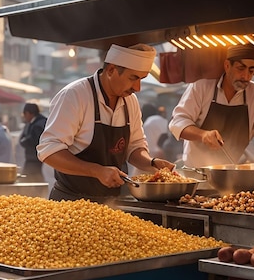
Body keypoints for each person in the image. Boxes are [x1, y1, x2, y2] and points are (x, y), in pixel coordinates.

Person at [38, 43, 176, 201]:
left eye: (142, 79)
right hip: (70, 203)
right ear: (111, 70)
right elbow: (49, 152)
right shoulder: (75, 95)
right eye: (133, 78)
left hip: (112, 204)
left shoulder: (130, 102)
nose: (137, 87)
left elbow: (134, 147)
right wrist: (96, 171)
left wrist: (152, 164)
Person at [169, 44, 254, 167]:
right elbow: (178, 122)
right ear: (227, 65)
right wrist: (203, 135)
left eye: (251, 71)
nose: (246, 76)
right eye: (240, 68)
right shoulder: (201, 87)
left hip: (231, 172)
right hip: (197, 172)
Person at [19, 103, 47, 182]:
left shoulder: (38, 124)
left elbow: (34, 141)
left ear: (28, 113)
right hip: (37, 158)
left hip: (35, 159)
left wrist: (23, 141)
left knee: (30, 180)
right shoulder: (39, 122)